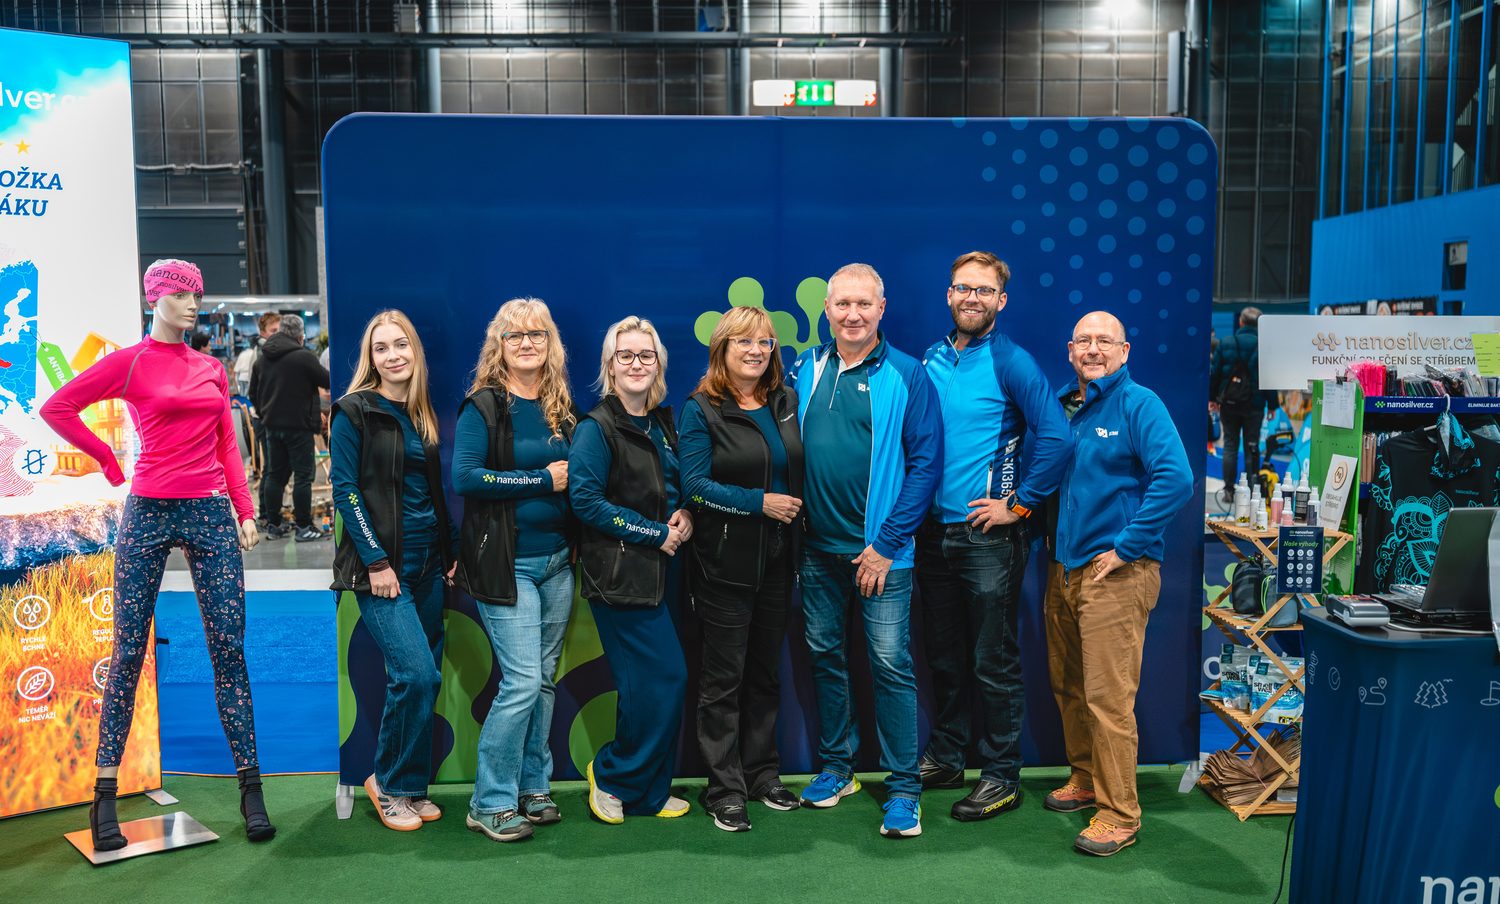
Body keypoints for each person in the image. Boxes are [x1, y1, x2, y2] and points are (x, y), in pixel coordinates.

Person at [40, 259, 274, 849]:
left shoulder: (211, 367)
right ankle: (104, 796)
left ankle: (251, 789)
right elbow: (57, 408)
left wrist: (245, 510)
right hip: (147, 510)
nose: (194, 304)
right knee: (127, 651)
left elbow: (226, 444)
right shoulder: (130, 362)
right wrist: (108, 461)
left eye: (198, 294)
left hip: (209, 512)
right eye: (182, 294)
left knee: (229, 649)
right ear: (155, 299)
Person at [916, 251, 1072, 820]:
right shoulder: (931, 357)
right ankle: (948, 755)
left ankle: (1002, 775)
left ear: (1001, 301)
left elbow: (1056, 437)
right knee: (945, 655)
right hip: (932, 535)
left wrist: (1021, 504)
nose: (972, 298)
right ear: (949, 295)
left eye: (984, 290)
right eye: (964, 288)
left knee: (992, 659)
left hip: (987, 538)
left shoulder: (1013, 362)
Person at [790, 262, 943, 838]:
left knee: (890, 666)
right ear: (827, 310)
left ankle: (904, 790)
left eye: (863, 304)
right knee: (825, 656)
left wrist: (886, 545)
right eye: (842, 304)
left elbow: (926, 465)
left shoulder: (907, 373)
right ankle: (838, 768)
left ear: (882, 309)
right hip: (816, 553)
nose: (852, 314)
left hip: (883, 555)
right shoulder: (805, 368)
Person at [1044, 311, 1192, 857]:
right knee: (1070, 687)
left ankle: (1119, 813)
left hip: (1116, 574)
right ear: (1070, 350)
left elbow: (1177, 479)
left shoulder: (1139, 404)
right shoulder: (1063, 405)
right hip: (1063, 569)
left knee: (1108, 699)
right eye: (1083, 340)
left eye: (1104, 341)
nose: (1093, 349)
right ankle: (1085, 779)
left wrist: (1128, 545)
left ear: (1124, 351)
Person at [452, 299, 578, 843]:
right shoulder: (483, 406)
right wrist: (541, 481)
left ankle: (533, 785)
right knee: (522, 682)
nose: (527, 343)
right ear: (498, 346)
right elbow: (466, 477)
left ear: (551, 343)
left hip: (558, 564)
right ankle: (490, 801)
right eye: (515, 335)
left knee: (542, 681)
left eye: (537, 334)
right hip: (508, 566)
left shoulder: (559, 407)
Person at [329, 309, 459, 833]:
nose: (392, 355)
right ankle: (387, 782)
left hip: (429, 565)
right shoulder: (353, 411)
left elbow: (431, 492)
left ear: (414, 351)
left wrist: (449, 549)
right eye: (381, 348)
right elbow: (345, 491)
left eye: (400, 344)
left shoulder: (420, 413)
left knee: (422, 676)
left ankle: (406, 785)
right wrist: (377, 561)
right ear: (371, 358)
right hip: (383, 571)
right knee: (416, 675)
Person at [679, 306, 805, 832]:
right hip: (723, 566)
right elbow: (694, 487)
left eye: (765, 342)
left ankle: (761, 775)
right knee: (722, 682)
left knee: (763, 676)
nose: (756, 351)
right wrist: (759, 503)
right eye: (744, 342)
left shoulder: (784, 401)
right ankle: (724, 789)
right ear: (722, 349)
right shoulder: (700, 408)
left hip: (777, 563)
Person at [569, 316, 693, 825]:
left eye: (646, 355)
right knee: (660, 680)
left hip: (665, 574)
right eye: (626, 356)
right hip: (619, 578)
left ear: (658, 364)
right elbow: (585, 501)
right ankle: (613, 774)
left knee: (654, 686)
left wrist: (685, 513)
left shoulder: (662, 424)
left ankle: (647, 791)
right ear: (610, 365)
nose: (636, 364)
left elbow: (675, 487)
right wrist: (654, 532)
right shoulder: (596, 428)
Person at [250, 313, 330, 542]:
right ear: (300, 336)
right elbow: (327, 380)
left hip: (272, 427)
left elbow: (253, 394)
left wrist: (266, 413)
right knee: (303, 476)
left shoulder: (262, 359)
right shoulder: (303, 357)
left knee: (275, 475)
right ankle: (304, 527)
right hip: (299, 427)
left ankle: (274, 525)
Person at [1209, 306, 1268, 493]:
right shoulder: (1264, 346)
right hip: (1255, 405)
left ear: (1241, 322)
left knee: (1230, 445)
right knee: (1252, 446)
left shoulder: (1226, 343)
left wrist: (1212, 398)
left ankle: (1228, 490)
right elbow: (1269, 377)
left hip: (1229, 403)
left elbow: (1215, 374)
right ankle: (1252, 491)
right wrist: (1273, 405)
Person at [235, 312, 281, 397]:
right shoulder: (261, 352)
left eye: (280, 330)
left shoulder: (281, 349)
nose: (278, 334)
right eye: (273, 331)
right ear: (263, 333)